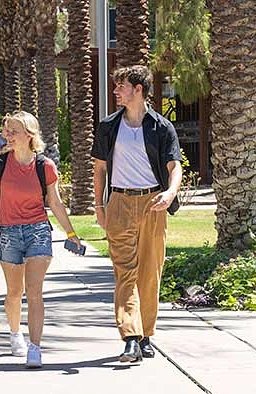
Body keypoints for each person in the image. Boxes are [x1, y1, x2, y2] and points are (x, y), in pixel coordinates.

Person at [91, 65, 182, 363]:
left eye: (121, 86)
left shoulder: (161, 127)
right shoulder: (108, 126)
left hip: (153, 203)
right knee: (125, 272)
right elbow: (100, 168)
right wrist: (100, 206)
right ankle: (130, 336)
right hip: (119, 202)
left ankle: (146, 335)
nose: (116, 91)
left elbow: (174, 166)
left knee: (150, 272)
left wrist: (170, 193)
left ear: (138, 89)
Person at [0, 111, 83, 368]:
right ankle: (16, 335)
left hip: (38, 231)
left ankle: (34, 348)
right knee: (15, 292)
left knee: (34, 291)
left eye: (13, 132)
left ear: (29, 135)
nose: (8, 136)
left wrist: (71, 233)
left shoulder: (44, 166)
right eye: (7, 131)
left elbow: (55, 203)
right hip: (9, 232)